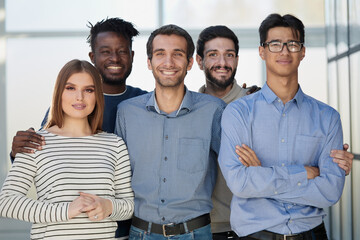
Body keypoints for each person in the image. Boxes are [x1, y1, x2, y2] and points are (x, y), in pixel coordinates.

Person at [196, 25, 354, 240]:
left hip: (309, 233)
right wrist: (303, 173)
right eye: (275, 44)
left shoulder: (327, 117)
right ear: (262, 51)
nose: (284, 51)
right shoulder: (236, 112)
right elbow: (240, 183)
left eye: (292, 44)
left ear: (303, 51)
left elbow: (330, 191)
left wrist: (262, 176)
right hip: (238, 230)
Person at [9, 17, 146, 239]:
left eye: (122, 51)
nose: (114, 58)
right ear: (93, 57)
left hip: (131, 229)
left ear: (132, 56)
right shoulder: (69, 107)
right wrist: (17, 153)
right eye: (105, 51)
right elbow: (45, 161)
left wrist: (110, 206)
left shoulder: (146, 103)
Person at [115, 24, 226, 239]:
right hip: (141, 233)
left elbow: (235, 168)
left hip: (195, 233)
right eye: (160, 54)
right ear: (149, 62)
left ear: (190, 62)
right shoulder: (127, 112)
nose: (168, 62)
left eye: (177, 54)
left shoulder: (213, 110)